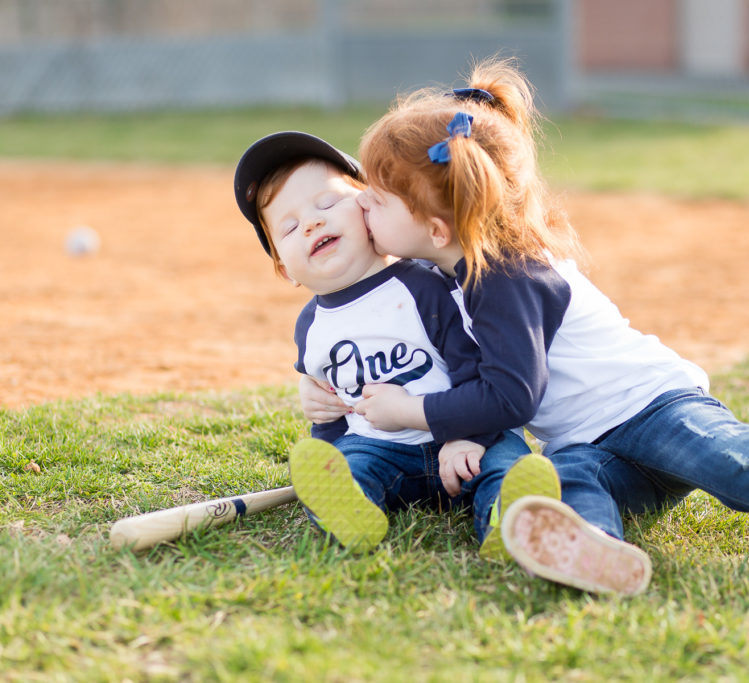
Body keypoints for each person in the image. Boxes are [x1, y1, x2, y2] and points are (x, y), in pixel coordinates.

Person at [301, 58, 749, 602]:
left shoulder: (505, 277)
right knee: (566, 483)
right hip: (593, 443)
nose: (362, 203)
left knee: (741, 463)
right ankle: (597, 552)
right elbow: (456, 367)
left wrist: (411, 410)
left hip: (656, 409)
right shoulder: (448, 274)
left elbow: (511, 398)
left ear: (436, 229)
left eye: (378, 200)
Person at [232, 130, 565, 556]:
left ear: (367, 207)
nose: (312, 223)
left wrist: (471, 438)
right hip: (378, 447)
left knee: (504, 459)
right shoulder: (310, 328)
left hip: (459, 441)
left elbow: (472, 365)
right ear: (285, 271)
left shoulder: (424, 284)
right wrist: (327, 445)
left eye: (328, 203)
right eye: (291, 226)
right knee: (350, 468)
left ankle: (508, 517)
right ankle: (351, 511)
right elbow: (334, 407)